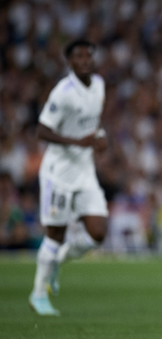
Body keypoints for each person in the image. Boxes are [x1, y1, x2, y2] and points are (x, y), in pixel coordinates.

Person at [29, 39, 108, 316]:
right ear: (70, 62)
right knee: (55, 234)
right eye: (79, 56)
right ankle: (38, 295)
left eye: (89, 55)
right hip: (59, 173)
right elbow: (42, 131)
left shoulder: (98, 84)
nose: (85, 60)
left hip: (85, 171)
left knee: (98, 233)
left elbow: (92, 125)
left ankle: (59, 260)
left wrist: (100, 139)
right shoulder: (62, 92)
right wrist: (78, 142)